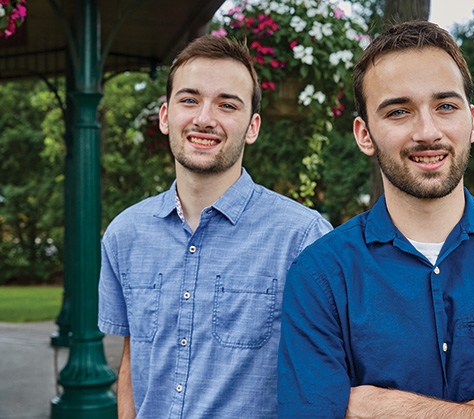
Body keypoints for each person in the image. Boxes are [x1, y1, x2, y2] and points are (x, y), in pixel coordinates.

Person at [277, 20, 474, 418]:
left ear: (473, 121)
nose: (427, 131)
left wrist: (379, 407)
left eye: (445, 106)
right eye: (399, 111)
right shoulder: (321, 275)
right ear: (365, 135)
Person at [97, 35, 332, 419]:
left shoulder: (303, 238)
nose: (204, 118)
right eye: (189, 100)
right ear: (164, 116)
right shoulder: (125, 234)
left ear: (252, 127)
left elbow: (325, 379)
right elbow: (131, 361)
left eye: (227, 104)